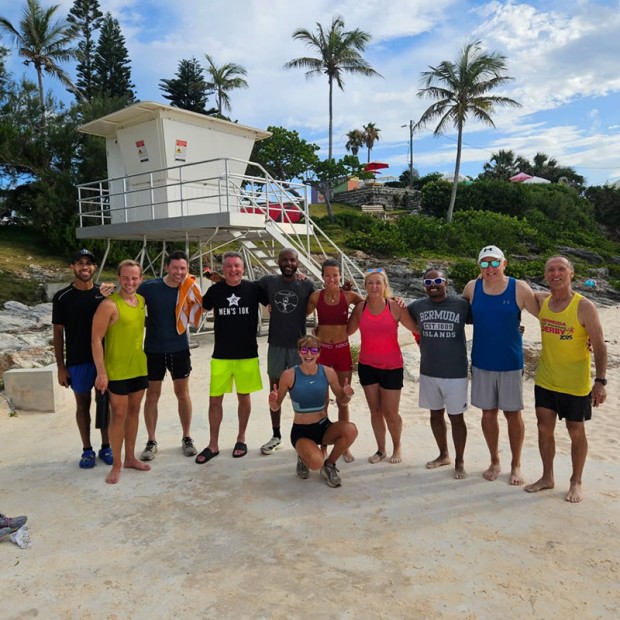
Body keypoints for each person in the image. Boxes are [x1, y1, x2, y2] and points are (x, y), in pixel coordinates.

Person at [525, 256, 607, 503]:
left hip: (575, 384)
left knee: (576, 431)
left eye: (561, 269)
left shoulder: (584, 306)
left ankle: (576, 481)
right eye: (550, 270)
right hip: (546, 380)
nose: (555, 273)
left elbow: (600, 345)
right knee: (543, 429)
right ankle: (547, 477)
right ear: (545, 275)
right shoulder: (542, 301)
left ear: (571, 273)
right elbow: (518, 288)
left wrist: (600, 381)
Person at [462, 245, 539, 485]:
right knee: (488, 413)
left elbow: (546, 315)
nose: (490, 268)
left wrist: (583, 334)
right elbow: (458, 313)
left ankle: (516, 465)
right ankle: (495, 461)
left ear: (504, 263)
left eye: (495, 262)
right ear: (479, 267)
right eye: (484, 263)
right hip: (482, 361)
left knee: (513, 414)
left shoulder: (519, 288)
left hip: (510, 362)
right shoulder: (472, 287)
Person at [195, 251, 268, 464]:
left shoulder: (254, 289)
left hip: (247, 354)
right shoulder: (215, 290)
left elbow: (276, 296)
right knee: (214, 400)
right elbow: (199, 307)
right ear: (223, 269)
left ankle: (241, 438)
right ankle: (213, 444)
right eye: (229, 266)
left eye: (237, 266)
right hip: (221, 355)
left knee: (244, 397)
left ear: (243, 269)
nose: (233, 269)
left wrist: (300, 277)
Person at [52, 249, 114, 469]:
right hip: (77, 360)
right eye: (79, 262)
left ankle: (106, 446)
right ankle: (87, 449)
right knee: (82, 405)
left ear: (95, 267)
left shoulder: (103, 294)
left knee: (104, 403)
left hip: (102, 360)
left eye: (89, 263)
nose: (84, 267)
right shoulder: (62, 297)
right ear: (73, 267)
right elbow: (58, 332)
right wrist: (61, 366)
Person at [137, 250, 202, 461]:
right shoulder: (149, 287)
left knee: (182, 394)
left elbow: (205, 304)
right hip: (153, 350)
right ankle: (151, 440)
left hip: (179, 348)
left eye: (183, 268)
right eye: (175, 268)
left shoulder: (189, 287)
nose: (179, 272)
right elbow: (129, 302)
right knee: (152, 395)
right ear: (166, 267)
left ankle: (187, 437)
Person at [347, 268, 417, 464]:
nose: (374, 286)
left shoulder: (394, 306)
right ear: (365, 286)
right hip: (367, 365)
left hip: (392, 366)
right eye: (370, 283)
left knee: (390, 413)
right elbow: (346, 331)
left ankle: (397, 447)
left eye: (378, 282)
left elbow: (415, 327)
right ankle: (381, 450)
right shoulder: (360, 308)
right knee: (375, 412)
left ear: (385, 285)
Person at [268, 335, 358, 487]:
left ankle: (329, 465)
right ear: (299, 352)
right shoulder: (289, 375)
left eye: (313, 350)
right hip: (301, 431)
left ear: (319, 353)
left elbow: (342, 401)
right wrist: (272, 402)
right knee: (316, 463)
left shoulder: (328, 372)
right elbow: (276, 407)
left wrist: (347, 395)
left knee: (351, 430)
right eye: (304, 350)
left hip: (323, 427)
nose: (309, 354)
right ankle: (303, 457)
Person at [408, 268, 471, 479]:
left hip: (456, 373)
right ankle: (443, 454)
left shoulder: (461, 305)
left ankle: (460, 461)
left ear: (446, 282)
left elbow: (487, 318)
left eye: (437, 281)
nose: (433, 285)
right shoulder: (417, 306)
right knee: (435, 414)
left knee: (456, 417)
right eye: (428, 282)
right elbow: (398, 314)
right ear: (423, 286)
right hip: (428, 371)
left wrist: (515, 327)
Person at [92, 260, 150, 485]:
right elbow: (96, 339)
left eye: (134, 278)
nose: (130, 282)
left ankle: (130, 458)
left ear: (141, 279)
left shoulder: (141, 301)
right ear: (118, 278)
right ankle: (116, 464)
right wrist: (101, 372)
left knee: (134, 412)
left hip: (138, 367)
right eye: (125, 278)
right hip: (116, 370)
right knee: (118, 415)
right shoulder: (109, 304)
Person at [255, 248, 315, 455]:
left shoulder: (307, 284)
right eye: (285, 260)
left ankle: (304, 435)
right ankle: (276, 435)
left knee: (302, 393)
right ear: (278, 261)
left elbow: (324, 299)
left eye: (292, 260)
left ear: (298, 262)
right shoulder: (269, 281)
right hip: (276, 346)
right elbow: (248, 290)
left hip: (299, 349)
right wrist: (267, 302)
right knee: (275, 392)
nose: (289, 264)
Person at [306, 258, 364, 463]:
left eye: (335, 275)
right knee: (321, 401)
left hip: (342, 351)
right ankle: (322, 444)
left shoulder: (349, 296)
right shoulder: (316, 296)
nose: (332, 279)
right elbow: (299, 313)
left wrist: (352, 326)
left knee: (342, 398)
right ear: (322, 277)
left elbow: (366, 304)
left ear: (340, 276)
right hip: (323, 353)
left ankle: (344, 444)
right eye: (328, 275)